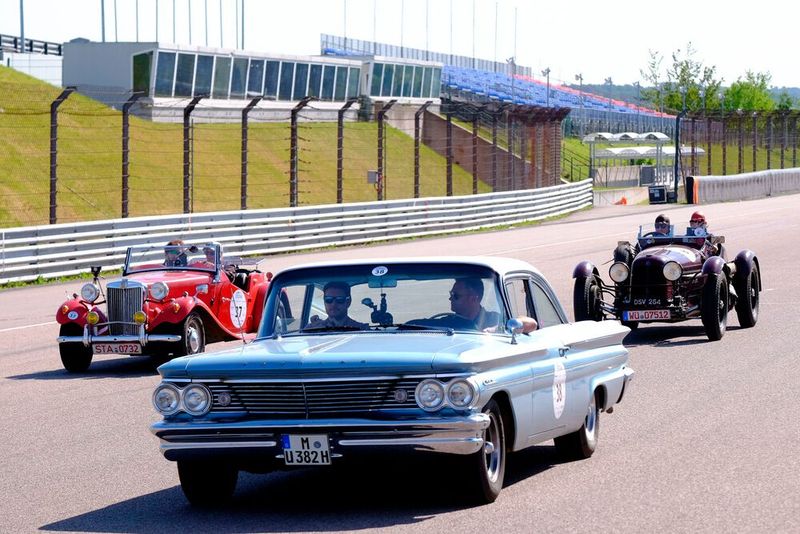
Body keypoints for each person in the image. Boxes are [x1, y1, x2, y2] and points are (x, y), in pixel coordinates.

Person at [449, 278, 537, 334]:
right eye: (451, 294)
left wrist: (497, 329)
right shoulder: (446, 322)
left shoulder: (495, 319)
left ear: (473, 299)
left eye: (455, 295)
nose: (450, 298)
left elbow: (532, 324)